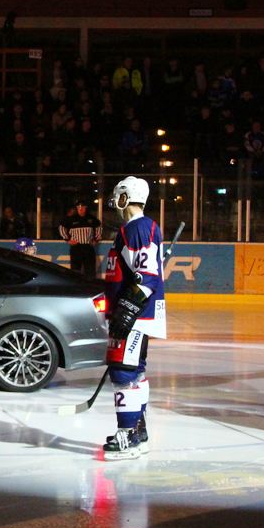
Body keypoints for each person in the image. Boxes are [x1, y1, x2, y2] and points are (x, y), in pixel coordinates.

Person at [101, 176, 166, 460]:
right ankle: (137, 432)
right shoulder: (133, 229)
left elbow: (147, 276)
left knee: (123, 371)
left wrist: (126, 309)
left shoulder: (139, 227)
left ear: (126, 198)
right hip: (136, 313)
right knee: (135, 372)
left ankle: (127, 435)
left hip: (135, 315)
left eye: (118, 196)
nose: (114, 202)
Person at [59, 199, 101, 278]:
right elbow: (61, 227)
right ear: (77, 208)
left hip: (88, 247)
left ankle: (90, 284)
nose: (81, 209)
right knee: (75, 270)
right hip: (76, 247)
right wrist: (67, 239)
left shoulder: (91, 218)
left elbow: (99, 227)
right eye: (79, 207)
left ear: (86, 208)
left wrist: (96, 239)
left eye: (83, 207)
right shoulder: (71, 219)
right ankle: (75, 284)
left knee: (90, 270)